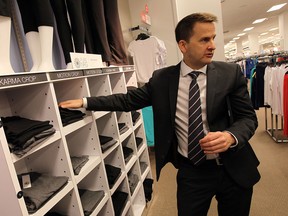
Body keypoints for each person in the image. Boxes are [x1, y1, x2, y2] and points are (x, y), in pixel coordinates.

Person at [59, 13, 260, 216]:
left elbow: (248, 118)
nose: (212, 46)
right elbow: (127, 100)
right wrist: (86, 102)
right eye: (204, 39)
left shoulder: (230, 73)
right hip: (193, 171)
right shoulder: (162, 79)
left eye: (213, 38)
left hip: (233, 168)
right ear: (183, 45)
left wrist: (230, 136)